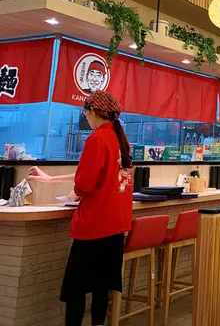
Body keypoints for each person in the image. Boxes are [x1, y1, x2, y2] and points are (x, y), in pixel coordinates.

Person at [28, 91, 133, 326]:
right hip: (116, 225)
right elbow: (98, 172)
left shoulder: (97, 138)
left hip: (95, 224)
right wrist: (50, 179)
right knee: (101, 286)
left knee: (76, 287)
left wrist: (74, 193)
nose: (87, 119)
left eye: (86, 114)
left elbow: (85, 183)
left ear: (94, 112)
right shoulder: (120, 138)